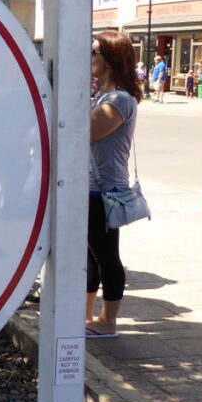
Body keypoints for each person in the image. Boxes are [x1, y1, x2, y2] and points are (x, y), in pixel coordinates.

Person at [87, 30, 141, 338]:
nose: (90, 57)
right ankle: (87, 316)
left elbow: (85, 132)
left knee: (106, 256)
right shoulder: (100, 95)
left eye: (95, 51)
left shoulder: (119, 99)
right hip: (90, 189)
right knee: (89, 255)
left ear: (111, 59)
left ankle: (108, 321)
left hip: (105, 190)